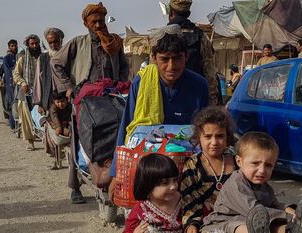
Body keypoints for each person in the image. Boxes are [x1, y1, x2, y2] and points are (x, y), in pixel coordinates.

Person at [51, 2, 129, 204]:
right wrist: (68, 87)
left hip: (109, 100)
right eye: (93, 21)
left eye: (101, 20)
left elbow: (124, 69)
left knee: (113, 139)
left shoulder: (115, 43)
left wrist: (119, 84)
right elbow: (56, 62)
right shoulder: (78, 43)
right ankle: (75, 187)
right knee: (79, 142)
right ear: (85, 23)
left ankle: (111, 178)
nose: (98, 25)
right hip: (84, 101)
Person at [110, 25, 209, 180]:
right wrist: (117, 173)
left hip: (188, 167)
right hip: (150, 167)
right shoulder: (141, 82)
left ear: (186, 57)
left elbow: (206, 131)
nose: (171, 66)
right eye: (165, 59)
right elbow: (127, 125)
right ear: (154, 58)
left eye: (177, 58)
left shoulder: (199, 85)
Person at [202, 132, 302, 233]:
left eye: (268, 165)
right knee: (242, 226)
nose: (262, 170)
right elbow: (255, 210)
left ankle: (293, 230)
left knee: (274, 225)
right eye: (255, 163)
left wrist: (293, 212)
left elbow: (275, 205)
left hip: (254, 222)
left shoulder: (265, 187)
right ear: (239, 161)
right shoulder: (236, 184)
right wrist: (288, 216)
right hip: (218, 227)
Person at [180, 106, 236, 233]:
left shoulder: (238, 163)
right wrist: (192, 225)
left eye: (220, 136)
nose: (214, 142)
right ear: (199, 138)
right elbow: (188, 200)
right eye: (208, 136)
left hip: (237, 220)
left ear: (227, 137)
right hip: (206, 224)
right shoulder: (192, 165)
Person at [168, 0, 219, 105]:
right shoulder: (201, 37)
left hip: (167, 100)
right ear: (188, 14)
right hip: (194, 100)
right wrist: (212, 104)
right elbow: (210, 74)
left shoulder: (161, 37)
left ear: (170, 13)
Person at [124, 153, 182, 233]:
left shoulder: (185, 201)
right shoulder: (140, 209)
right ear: (148, 185)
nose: (173, 186)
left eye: (175, 180)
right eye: (165, 183)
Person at [13, 34, 41, 151]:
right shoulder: (23, 59)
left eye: (36, 43)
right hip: (26, 93)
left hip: (41, 92)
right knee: (26, 118)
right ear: (28, 45)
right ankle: (30, 141)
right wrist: (23, 83)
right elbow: (16, 74)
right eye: (32, 44)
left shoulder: (43, 58)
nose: (34, 46)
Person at [33, 26, 65, 114]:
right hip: (48, 98)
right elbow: (38, 81)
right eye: (50, 43)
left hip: (65, 100)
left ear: (60, 40)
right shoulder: (43, 58)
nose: (53, 45)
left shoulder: (67, 55)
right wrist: (39, 103)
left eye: (56, 42)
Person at [2, 39, 18, 130]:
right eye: (12, 46)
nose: (14, 47)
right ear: (9, 47)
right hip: (11, 84)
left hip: (19, 84)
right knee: (13, 103)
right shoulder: (6, 58)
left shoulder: (20, 56)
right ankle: (13, 125)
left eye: (15, 45)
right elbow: (8, 71)